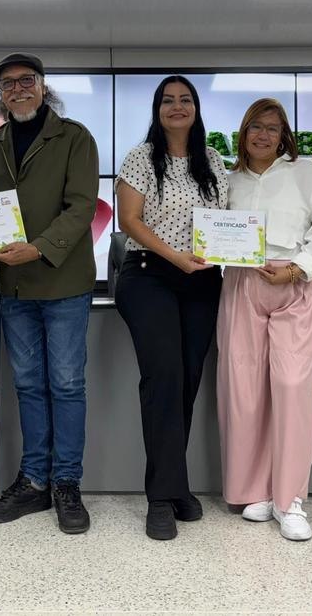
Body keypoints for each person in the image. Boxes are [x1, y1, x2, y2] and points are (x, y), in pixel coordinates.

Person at [0, 53, 99, 535]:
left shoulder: (75, 137)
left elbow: (82, 206)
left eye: (26, 80)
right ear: (0, 95)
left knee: (66, 385)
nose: (18, 89)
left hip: (63, 282)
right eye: (7, 84)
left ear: (43, 86)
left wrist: (39, 248)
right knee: (28, 385)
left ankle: (66, 482)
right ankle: (33, 482)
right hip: (14, 286)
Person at [216, 98, 312, 541]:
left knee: (291, 387)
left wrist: (297, 269)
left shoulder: (306, 172)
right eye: (256, 127)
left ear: (284, 135)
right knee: (244, 388)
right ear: (243, 133)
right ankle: (255, 491)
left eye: (272, 128)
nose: (263, 135)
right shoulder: (229, 180)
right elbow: (213, 232)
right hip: (242, 284)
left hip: (295, 284)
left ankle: (290, 500)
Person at [114, 75, 228, 540]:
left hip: (201, 280)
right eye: (168, 100)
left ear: (196, 108)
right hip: (149, 275)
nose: (177, 106)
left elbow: (226, 222)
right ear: (157, 110)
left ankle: (175, 484)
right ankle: (161, 499)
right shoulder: (141, 157)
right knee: (163, 377)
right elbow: (129, 220)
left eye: (185, 100)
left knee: (186, 381)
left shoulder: (213, 160)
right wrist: (175, 256)